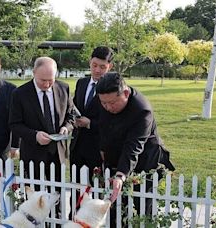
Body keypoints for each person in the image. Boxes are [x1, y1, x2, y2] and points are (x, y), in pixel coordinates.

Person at [96, 72, 175, 227]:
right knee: (115, 207)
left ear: (125, 93)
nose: (107, 107)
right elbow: (104, 128)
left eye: (112, 103)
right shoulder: (106, 99)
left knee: (142, 208)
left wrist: (120, 175)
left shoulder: (142, 110)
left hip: (146, 162)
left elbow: (134, 146)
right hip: (119, 158)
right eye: (103, 103)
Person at [9, 56, 74, 185]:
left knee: (57, 195)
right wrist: (35, 135)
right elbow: (14, 124)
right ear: (34, 73)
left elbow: (71, 115)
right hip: (33, 154)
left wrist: (66, 127)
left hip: (57, 153)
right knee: (34, 197)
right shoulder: (19, 94)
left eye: (50, 80)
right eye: (42, 80)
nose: (46, 84)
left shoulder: (63, 88)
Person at [70, 46, 113, 185]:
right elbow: (75, 106)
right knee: (76, 187)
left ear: (109, 66)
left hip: (99, 147)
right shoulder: (81, 83)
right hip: (77, 145)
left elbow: (113, 121)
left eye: (102, 67)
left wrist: (90, 123)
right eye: (94, 65)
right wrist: (73, 119)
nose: (97, 70)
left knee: (96, 190)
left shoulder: (113, 88)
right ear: (89, 62)